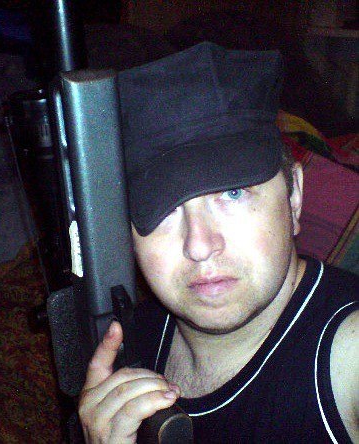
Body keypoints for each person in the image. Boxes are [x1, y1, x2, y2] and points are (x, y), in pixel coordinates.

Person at [77, 42, 359, 443]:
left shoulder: (349, 355)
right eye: (164, 207)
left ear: (293, 195)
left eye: (233, 193)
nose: (199, 245)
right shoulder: (128, 342)